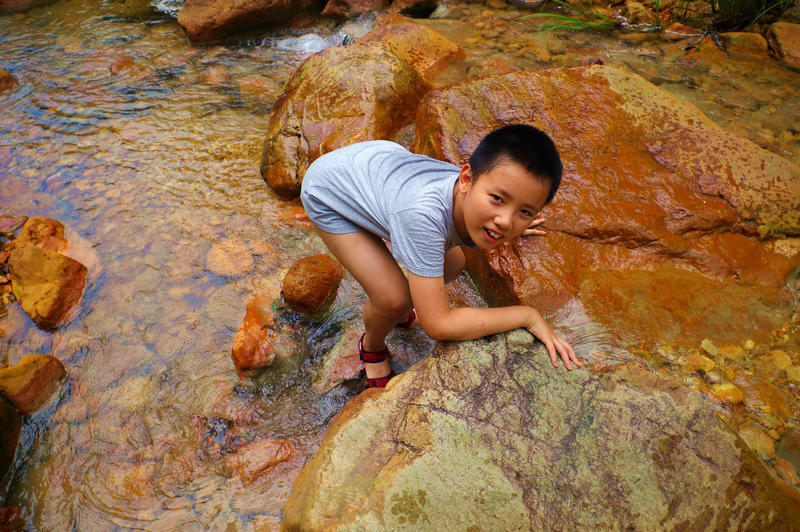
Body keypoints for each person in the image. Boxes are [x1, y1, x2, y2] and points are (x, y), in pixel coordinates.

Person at [300, 124, 580, 388]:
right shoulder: (422, 217)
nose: (505, 222)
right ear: (467, 179)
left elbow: (503, 209)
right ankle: (371, 346)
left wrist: (514, 217)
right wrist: (527, 316)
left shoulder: (481, 196)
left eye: (525, 211)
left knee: (454, 263)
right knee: (393, 298)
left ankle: (400, 313)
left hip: (377, 168)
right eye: (498, 199)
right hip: (329, 193)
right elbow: (437, 325)